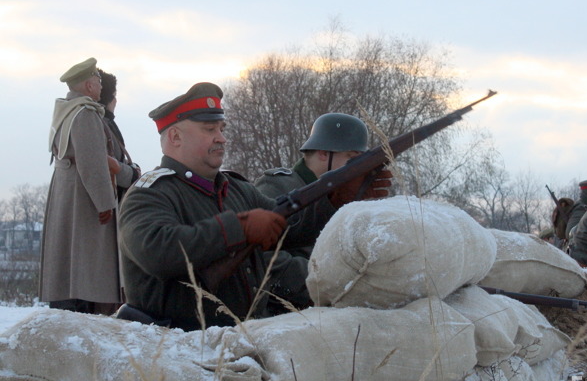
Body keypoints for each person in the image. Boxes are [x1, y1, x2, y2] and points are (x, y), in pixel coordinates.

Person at [118, 83, 391, 331]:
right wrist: (238, 229)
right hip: (176, 346)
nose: (221, 138)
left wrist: (336, 199)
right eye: (209, 130)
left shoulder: (236, 189)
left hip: (240, 338)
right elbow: (157, 251)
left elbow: (288, 229)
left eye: (222, 129)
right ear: (175, 137)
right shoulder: (149, 193)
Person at [254, 113, 370, 313]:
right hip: (285, 312)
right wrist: (323, 282)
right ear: (324, 153)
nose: (356, 168)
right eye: (350, 158)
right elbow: (260, 256)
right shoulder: (277, 185)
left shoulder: (345, 196)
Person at [40, 57, 123, 315]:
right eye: (97, 81)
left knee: (67, 263)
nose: (100, 86)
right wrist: (105, 204)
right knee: (85, 267)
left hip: (67, 192)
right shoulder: (85, 114)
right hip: (83, 198)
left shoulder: (65, 111)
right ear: (88, 86)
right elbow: (92, 163)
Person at [98, 69, 141, 202]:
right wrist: (132, 174)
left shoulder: (102, 122)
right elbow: (101, 164)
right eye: (114, 95)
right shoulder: (100, 125)